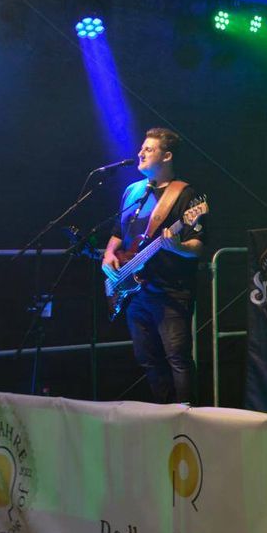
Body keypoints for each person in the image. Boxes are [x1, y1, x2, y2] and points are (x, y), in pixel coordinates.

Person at [101, 128, 206, 404]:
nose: (140, 153)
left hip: (170, 292)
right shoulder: (132, 192)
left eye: (149, 149)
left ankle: (187, 420)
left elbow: (198, 244)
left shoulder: (186, 195)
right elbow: (117, 234)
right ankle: (162, 414)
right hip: (134, 291)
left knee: (177, 358)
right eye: (142, 148)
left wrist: (179, 247)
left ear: (167, 156)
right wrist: (108, 256)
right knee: (147, 358)